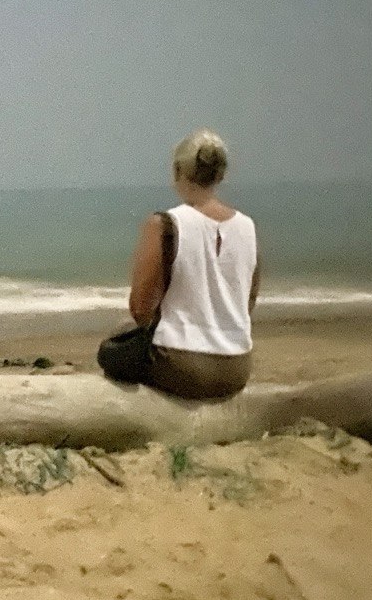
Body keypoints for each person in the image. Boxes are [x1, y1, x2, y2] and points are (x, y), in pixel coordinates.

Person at [99, 129, 260, 399]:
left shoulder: (165, 224)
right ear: (220, 175)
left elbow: (140, 309)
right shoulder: (247, 226)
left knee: (110, 351)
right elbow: (247, 303)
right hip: (237, 368)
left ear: (177, 171)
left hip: (183, 367)